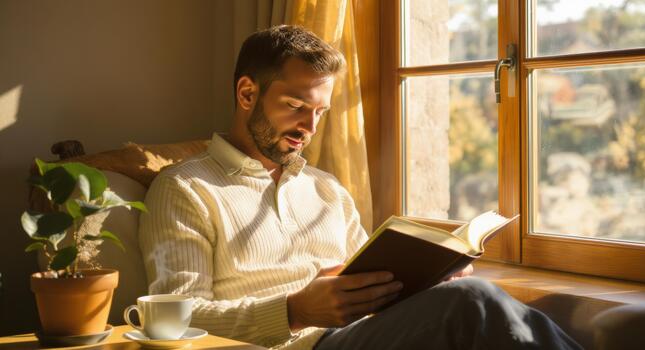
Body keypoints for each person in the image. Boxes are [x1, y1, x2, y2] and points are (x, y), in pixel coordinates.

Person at [139, 25, 582, 350]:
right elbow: (173, 318)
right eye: (294, 105)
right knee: (473, 301)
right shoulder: (184, 189)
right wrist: (294, 311)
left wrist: (426, 280)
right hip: (289, 347)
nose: (307, 127)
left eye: (319, 111)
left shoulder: (327, 191)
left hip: (356, 336)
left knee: (463, 294)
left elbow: (370, 291)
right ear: (246, 93)